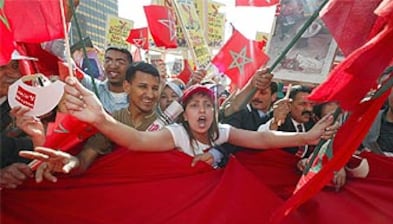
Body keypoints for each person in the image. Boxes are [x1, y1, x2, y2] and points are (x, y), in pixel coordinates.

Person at [20, 82, 336, 183]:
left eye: (207, 105)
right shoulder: (175, 134)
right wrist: (101, 118)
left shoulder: (221, 132)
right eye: (194, 106)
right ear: (184, 114)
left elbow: (263, 139)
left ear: (214, 112)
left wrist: (307, 138)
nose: (202, 111)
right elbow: (137, 140)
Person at [16, 62, 162, 180]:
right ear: (126, 87)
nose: (150, 94)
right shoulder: (110, 120)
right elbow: (84, 160)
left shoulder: (167, 126)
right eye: (143, 87)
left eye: (155, 88)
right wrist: (71, 162)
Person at [259, 85, 315, 159]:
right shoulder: (277, 119)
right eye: (302, 104)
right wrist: (275, 122)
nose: (309, 109)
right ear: (289, 105)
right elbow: (261, 137)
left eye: (311, 104)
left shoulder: (312, 124)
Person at [80, 47, 133, 113]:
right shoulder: (93, 87)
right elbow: (72, 72)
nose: (113, 66)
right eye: (108, 61)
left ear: (130, 67)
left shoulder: (137, 99)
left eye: (120, 62)